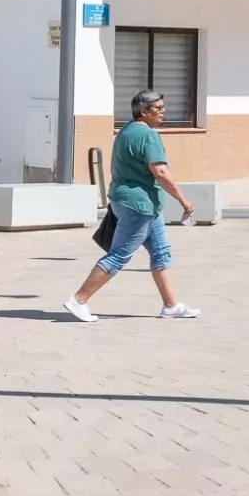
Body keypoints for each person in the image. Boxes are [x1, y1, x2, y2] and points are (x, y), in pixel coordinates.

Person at [63, 88, 199, 323]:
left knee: (161, 252)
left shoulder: (125, 130)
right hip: (139, 206)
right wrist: (183, 199)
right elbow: (160, 171)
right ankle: (79, 300)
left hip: (134, 202)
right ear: (143, 112)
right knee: (118, 256)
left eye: (163, 107)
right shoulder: (148, 135)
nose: (163, 112)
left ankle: (171, 305)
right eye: (158, 109)